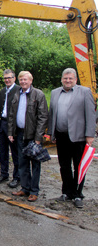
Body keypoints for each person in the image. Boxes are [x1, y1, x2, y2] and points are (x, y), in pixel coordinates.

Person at [48, 68, 95, 208]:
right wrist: (51, 133)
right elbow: (52, 114)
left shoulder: (85, 92)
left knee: (79, 167)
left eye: (70, 78)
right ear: (62, 79)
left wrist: (90, 135)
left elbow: (91, 115)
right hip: (61, 135)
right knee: (64, 166)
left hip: (78, 136)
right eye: (65, 78)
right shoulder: (55, 92)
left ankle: (77, 195)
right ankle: (67, 192)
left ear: (75, 79)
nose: (67, 81)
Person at [8, 71, 48, 202]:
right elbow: (12, 115)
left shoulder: (38, 94)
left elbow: (43, 117)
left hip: (33, 136)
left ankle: (34, 191)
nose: (23, 82)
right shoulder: (17, 93)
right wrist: (10, 132)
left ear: (31, 81)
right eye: (21, 79)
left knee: (35, 164)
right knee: (22, 162)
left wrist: (38, 137)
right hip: (19, 134)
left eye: (25, 79)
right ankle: (25, 188)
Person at [0, 69, 20, 188]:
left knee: (15, 152)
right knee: (2, 151)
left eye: (9, 78)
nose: (7, 80)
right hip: (1, 124)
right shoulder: (2, 91)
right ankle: (4, 173)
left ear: (14, 78)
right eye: (5, 78)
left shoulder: (19, 90)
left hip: (13, 125)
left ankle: (17, 177)